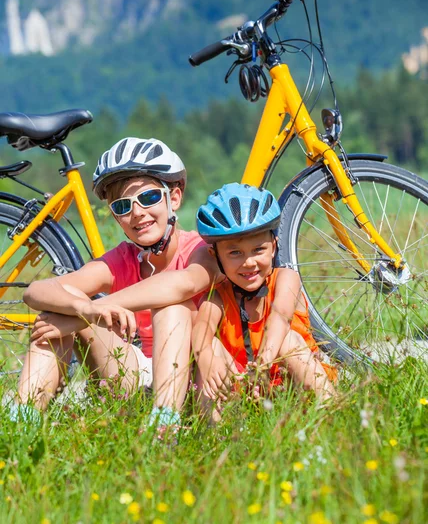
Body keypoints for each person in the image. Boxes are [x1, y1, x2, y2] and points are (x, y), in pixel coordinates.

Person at [19, 137, 218, 428]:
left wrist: (85, 315)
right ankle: (21, 423)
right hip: (131, 379)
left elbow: (181, 285)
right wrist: (81, 309)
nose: (137, 212)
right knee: (59, 307)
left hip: (190, 379)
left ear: (173, 198)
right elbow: (37, 291)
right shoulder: (122, 259)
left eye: (148, 198)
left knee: (173, 307)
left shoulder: (200, 249)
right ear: (115, 217)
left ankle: (165, 429)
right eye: (123, 206)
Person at [192, 183, 336, 420]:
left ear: (274, 247)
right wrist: (206, 357)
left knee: (287, 340)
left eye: (258, 249)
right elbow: (201, 327)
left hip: (296, 388)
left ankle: (333, 415)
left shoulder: (286, 279)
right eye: (235, 253)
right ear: (215, 256)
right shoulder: (218, 295)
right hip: (246, 394)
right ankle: (216, 435)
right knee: (209, 348)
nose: (248, 262)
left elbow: (280, 315)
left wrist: (263, 365)